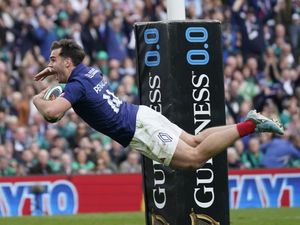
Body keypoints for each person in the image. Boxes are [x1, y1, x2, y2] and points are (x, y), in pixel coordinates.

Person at [32, 39, 284, 170]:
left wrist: (36, 98)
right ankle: (249, 121)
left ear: (68, 62)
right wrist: (55, 75)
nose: (50, 64)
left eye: (53, 59)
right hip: (140, 113)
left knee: (195, 159)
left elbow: (52, 113)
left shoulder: (76, 85)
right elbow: (71, 84)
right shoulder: (88, 72)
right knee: (194, 140)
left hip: (138, 129)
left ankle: (251, 125)